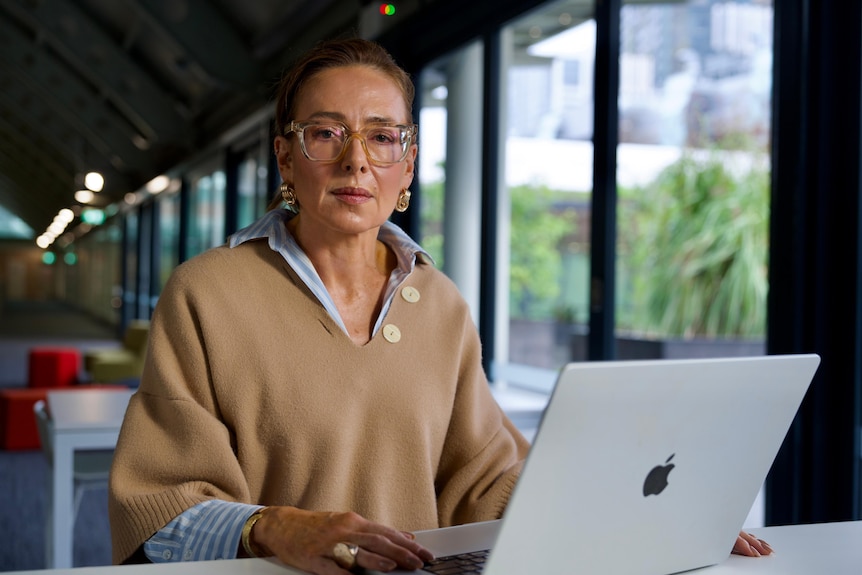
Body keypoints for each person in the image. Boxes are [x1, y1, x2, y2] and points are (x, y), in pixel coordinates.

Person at [108, 37, 771, 574]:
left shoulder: (438, 303)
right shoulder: (206, 294)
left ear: (408, 163)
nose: (356, 161)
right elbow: (158, 511)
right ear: (285, 156)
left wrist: (648, 510)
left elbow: (483, 481)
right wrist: (275, 527)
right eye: (326, 133)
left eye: (382, 137)